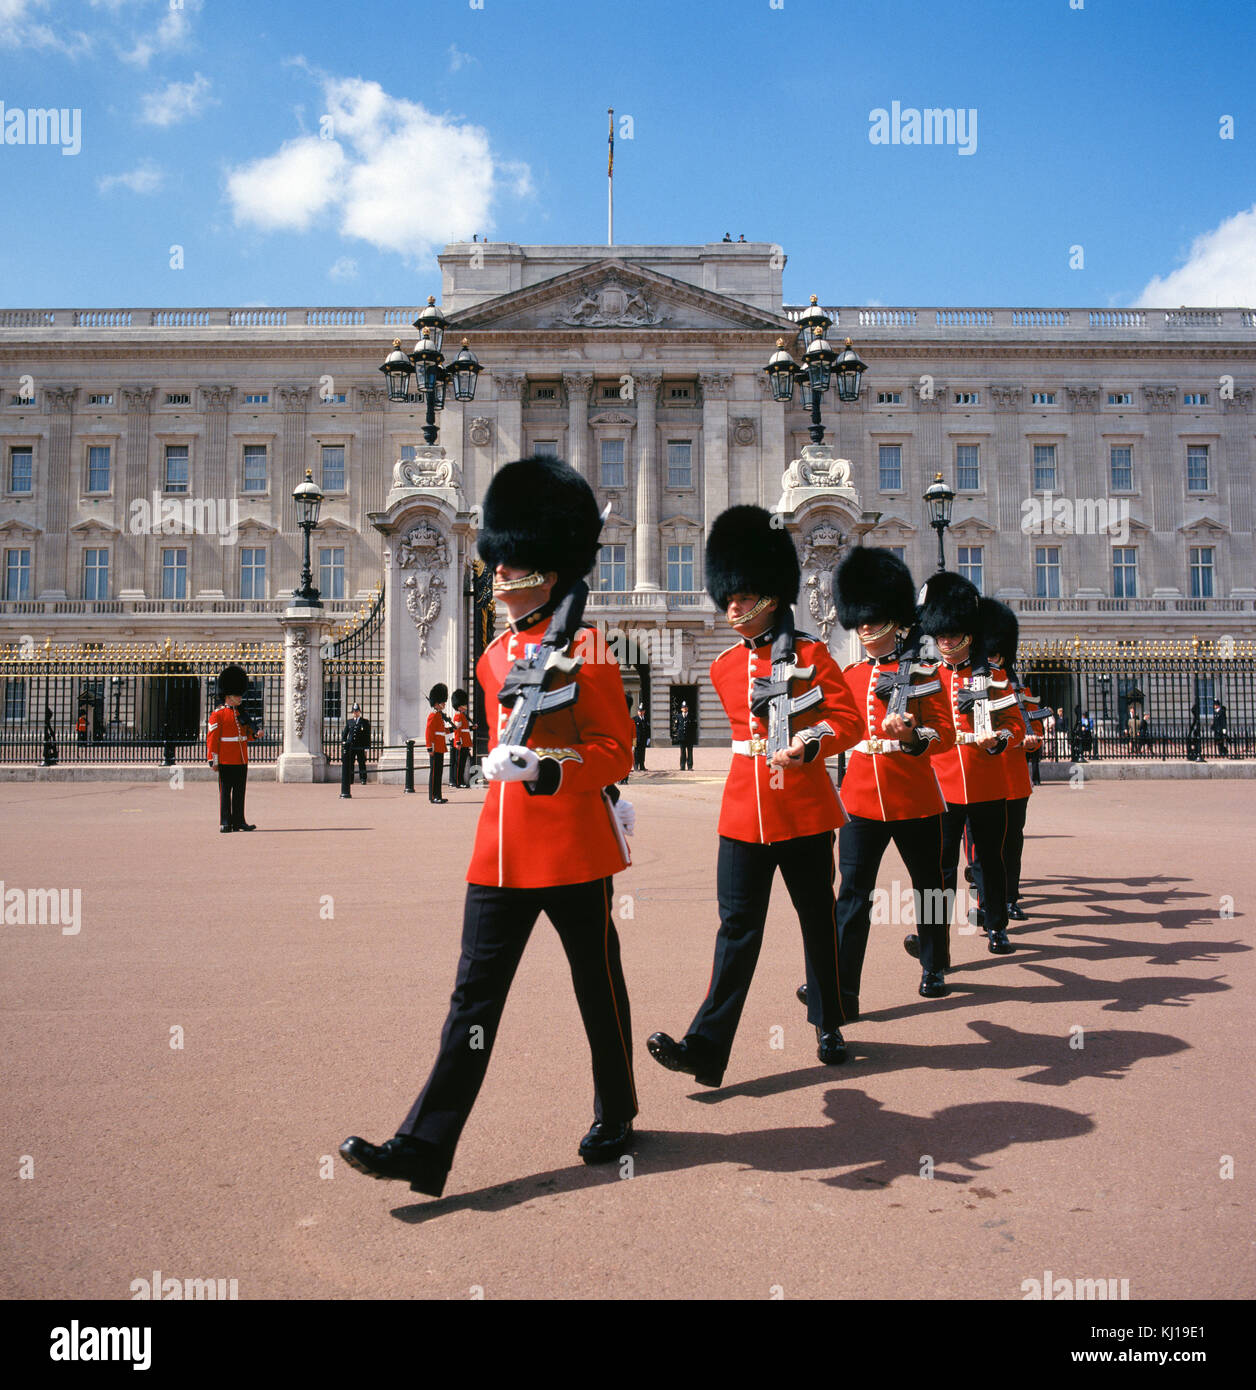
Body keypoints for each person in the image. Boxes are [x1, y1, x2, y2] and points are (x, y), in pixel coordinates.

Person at [339, 456, 639, 1196]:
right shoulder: (496, 654)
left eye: (515, 569)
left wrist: (545, 767)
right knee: (472, 1001)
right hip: (501, 853)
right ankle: (424, 1146)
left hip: (571, 849)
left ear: (549, 571)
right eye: (498, 569)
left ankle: (619, 1108)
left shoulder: (589, 650)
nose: (501, 580)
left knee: (596, 988)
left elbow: (616, 750)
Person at [647, 505, 865, 1085]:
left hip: (802, 810)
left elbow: (848, 722)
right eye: (729, 598)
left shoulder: (814, 657)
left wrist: (811, 743)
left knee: (817, 920)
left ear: (771, 594)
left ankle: (829, 1021)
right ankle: (706, 1047)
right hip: (746, 813)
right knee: (737, 930)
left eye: (742, 597)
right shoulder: (722, 667)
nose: (732, 607)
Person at [809, 547, 956, 1009]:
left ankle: (934, 963)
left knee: (929, 886)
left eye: (875, 617)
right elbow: (834, 728)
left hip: (914, 794)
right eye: (862, 619)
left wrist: (914, 736)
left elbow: (946, 734)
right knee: (852, 895)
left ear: (895, 618)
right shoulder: (849, 676)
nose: (867, 626)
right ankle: (843, 987)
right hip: (861, 799)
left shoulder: (926, 674)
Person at [911, 573, 1022, 961]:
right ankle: (933, 940)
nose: (944, 641)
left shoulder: (993, 677)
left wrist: (998, 742)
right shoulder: (926, 678)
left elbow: (1015, 726)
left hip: (986, 780)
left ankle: (996, 925)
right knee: (937, 869)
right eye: (940, 634)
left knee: (990, 861)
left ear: (968, 636)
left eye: (952, 633)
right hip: (940, 785)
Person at [975, 598, 1040, 924]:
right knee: (982, 847)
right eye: (988, 654)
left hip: (1012, 779)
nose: (992, 660)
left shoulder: (1017, 686)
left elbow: (1033, 725)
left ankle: (1010, 898)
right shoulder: (969, 684)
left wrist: (1030, 741)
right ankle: (986, 901)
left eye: (996, 655)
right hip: (980, 777)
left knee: (1011, 844)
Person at [207, 664, 260, 833]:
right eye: (237, 695)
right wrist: (213, 760)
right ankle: (225, 822)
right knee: (225, 792)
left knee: (239, 792)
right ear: (229, 696)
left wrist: (255, 735)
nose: (240, 698)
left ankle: (239, 821)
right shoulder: (218, 714)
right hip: (225, 758)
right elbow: (213, 739)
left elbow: (244, 735)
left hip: (241, 758)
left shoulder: (240, 713)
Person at [425, 684, 450, 803]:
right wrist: (430, 747)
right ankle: (433, 796)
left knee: (439, 772)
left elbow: (441, 731)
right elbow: (429, 732)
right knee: (435, 772)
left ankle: (438, 795)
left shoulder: (439, 716)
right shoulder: (433, 715)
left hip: (440, 747)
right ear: (436, 704)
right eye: (442, 702)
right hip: (435, 748)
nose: (444, 704)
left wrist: (451, 730)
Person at [340, 701, 370, 798]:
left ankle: (363, 779)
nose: (355, 713)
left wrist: (366, 749)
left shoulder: (364, 722)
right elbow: (345, 734)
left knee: (362, 763)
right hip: (351, 747)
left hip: (360, 746)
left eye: (356, 711)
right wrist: (344, 744)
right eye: (354, 711)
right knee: (350, 763)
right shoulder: (349, 722)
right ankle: (350, 779)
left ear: (359, 712)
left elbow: (367, 736)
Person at [450, 689, 473, 788]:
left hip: (465, 742)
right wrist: (458, 742)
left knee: (462, 764)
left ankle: (459, 781)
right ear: (459, 706)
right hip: (461, 743)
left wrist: (472, 727)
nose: (466, 707)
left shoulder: (462, 716)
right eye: (464, 705)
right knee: (459, 764)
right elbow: (457, 730)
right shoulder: (458, 716)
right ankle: (459, 782)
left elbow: (464, 729)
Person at [675, 699, 695, 770]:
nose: (685, 708)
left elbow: (694, 727)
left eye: (686, 707)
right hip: (681, 737)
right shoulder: (678, 716)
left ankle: (690, 766)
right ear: (681, 709)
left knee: (689, 752)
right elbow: (677, 726)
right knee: (682, 752)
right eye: (683, 707)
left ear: (687, 708)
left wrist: (693, 737)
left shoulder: (691, 716)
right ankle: (682, 766)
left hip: (689, 737)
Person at [632, 698, 650, 772]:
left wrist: (648, 738)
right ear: (638, 711)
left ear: (644, 711)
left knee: (642, 752)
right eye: (639, 711)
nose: (641, 712)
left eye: (642, 711)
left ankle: (642, 766)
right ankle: (636, 766)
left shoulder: (646, 719)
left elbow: (648, 729)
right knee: (636, 752)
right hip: (635, 738)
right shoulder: (634, 719)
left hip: (643, 738)